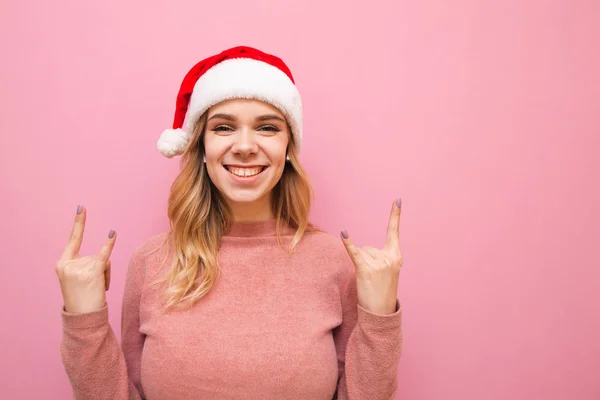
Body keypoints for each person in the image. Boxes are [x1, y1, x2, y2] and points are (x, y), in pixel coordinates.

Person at [55, 46, 404, 400]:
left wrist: (379, 315)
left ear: (288, 147)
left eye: (267, 127)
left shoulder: (333, 260)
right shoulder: (150, 261)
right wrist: (85, 320)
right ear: (201, 147)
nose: (245, 145)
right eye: (223, 127)